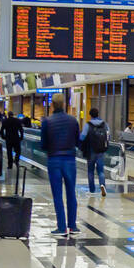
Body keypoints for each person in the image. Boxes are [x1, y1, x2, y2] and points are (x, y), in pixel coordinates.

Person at [39, 94, 80, 236]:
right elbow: (77, 141)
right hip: (70, 160)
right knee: (71, 193)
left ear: (52, 105)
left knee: (57, 195)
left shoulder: (47, 122)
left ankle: (61, 227)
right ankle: (73, 226)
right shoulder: (73, 120)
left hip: (54, 160)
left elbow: (43, 144)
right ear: (64, 104)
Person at [80, 107, 111, 196]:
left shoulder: (88, 125)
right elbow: (109, 136)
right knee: (101, 171)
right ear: (98, 114)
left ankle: (92, 190)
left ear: (90, 115)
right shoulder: (105, 124)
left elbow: (82, 137)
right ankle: (102, 185)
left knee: (90, 171)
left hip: (90, 151)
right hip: (101, 151)